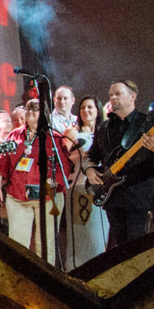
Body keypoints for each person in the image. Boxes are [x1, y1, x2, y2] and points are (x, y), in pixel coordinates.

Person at [86, 80, 154, 247]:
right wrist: (90, 170)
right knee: (116, 245)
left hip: (138, 196)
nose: (113, 98)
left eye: (118, 94)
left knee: (136, 245)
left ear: (132, 96)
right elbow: (92, 155)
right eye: (111, 95)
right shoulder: (105, 127)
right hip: (112, 195)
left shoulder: (149, 123)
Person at [0, 99, 72, 265]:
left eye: (35, 109)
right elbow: (2, 164)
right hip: (18, 196)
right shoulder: (15, 135)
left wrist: (50, 184)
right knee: (17, 245)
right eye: (28, 109)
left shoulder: (54, 137)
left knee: (46, 244)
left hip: (48, 198)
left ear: (45, 114)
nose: (30, 113)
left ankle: (45, 283)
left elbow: (64, 168)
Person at [62, 96, 109, 269]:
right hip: (80, 189)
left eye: (90, 107)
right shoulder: (73, 133)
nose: (86, 111)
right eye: (83, 107)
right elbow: (62, 159)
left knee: (99, 236)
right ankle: (76, 271)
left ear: (98, 110)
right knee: (82, 235)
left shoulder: (104, 133)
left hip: (103, 189)